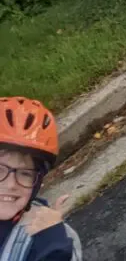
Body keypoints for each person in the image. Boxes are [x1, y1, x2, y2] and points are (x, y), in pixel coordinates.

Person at [0, 98, 81, 261]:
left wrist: (53, 249)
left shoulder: (55, 239)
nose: (10, 184)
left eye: (25, 173)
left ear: (36, 182)